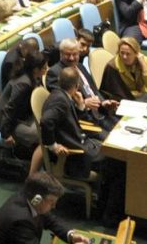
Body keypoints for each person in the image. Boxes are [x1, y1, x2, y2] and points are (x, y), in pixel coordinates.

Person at [43, 67, 125, 223]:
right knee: (118, 163)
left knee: (116, 158)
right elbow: (46, 121)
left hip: (83, 144)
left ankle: (105, 207)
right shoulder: (60, 100)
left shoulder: (64, 96)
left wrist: (80, 106)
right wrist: (53, 146)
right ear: (77, 84)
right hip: (75, 155)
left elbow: (73, 123)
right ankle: (108, 214)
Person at [101, 35, 147, 101]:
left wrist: (144, 68)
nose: (124, 57)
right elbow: (113, 93)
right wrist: (136, 94)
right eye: (122, 53)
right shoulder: (113, 67)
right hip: (126, 101)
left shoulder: (143, 60)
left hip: (143, 96)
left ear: (136, 54)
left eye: (128, 54)